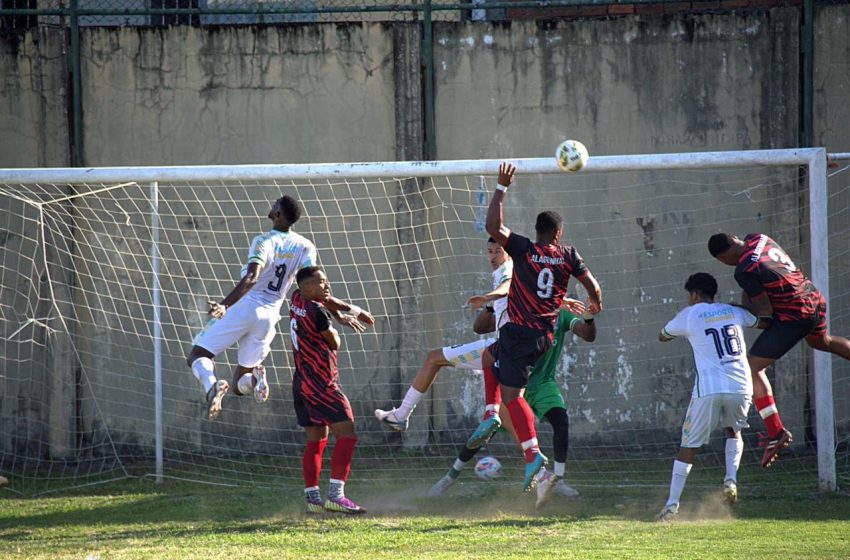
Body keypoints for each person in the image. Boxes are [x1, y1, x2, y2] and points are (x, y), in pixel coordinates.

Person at [186, 195, 373, 420]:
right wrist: (344, 312)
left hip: (246, 306)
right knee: (240, 382)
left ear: (277, 214)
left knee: (199, 353)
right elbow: (314, 288)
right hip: (270, 316)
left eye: (275, 205)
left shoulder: (264, 241)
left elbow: (253, 277)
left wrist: (225, 305)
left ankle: (211, 387)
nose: (272, 206)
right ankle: (255, 380)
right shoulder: (305, 246)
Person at [477, 161, 603, 491]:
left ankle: (532, 454)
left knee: (512, 395)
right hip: (542, 337)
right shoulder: (568, 255)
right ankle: (492, 415)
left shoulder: (524, 249)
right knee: (490, 357)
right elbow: (593, 286)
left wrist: (502, 186)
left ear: (537, 230)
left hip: (519, 332)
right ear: (558, 234)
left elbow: (492, 224)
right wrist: (595, 303)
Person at [428, 298, 596, 509]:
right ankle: (450, 477)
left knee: (561, 421)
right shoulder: (516, 308)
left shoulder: (562, 314)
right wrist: (491, 302)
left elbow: (587, 334)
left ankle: (557, 479)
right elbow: (480, 328)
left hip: (542, 383)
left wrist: (589, 317)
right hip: (513, 384)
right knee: (488, 429)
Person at [708, 233, 850, 468]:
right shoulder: (758, 238)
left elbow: (764, 311)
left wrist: (738, 310)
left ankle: (775, 432)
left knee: (750, 368)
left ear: (722, 258)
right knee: (822, 342)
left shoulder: (744, 269)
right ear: (735, 238)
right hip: (812, 298)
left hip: (795, 316)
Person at [656, 272, 769, 521]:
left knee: (689, 446)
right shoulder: (733, 311)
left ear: (695, 295)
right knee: (733, 431)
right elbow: (762, 322)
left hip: (709, 389)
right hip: (741, 387)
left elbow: (663, 335)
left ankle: (672, 506)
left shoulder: (690, 314)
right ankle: (730, 480)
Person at [373, 237, 513, 431]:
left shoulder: (507, 270)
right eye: (490, 251)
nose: (493, 256)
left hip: (502, 347)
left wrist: (488, 297)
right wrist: (489, 305)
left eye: (498, 251)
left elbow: (507, 284)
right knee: (509, 409)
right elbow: (480, 328)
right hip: (513, 348)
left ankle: (401, 415)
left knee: (434, 358)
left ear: (508, 252)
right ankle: (531, 454)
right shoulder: (508, 272)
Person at [291, 266, 369, 514]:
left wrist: (347, 312)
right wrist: (336, 324)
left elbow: (327, 300)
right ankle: (336, 495)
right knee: (347, 434)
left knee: (316, 440)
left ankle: (312, 499)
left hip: (301, 381)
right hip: (322, 384)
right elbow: (334, 342)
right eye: (321, 282)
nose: (327, 285)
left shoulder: (295, 299)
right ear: (307, 288)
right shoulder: (318, 313)